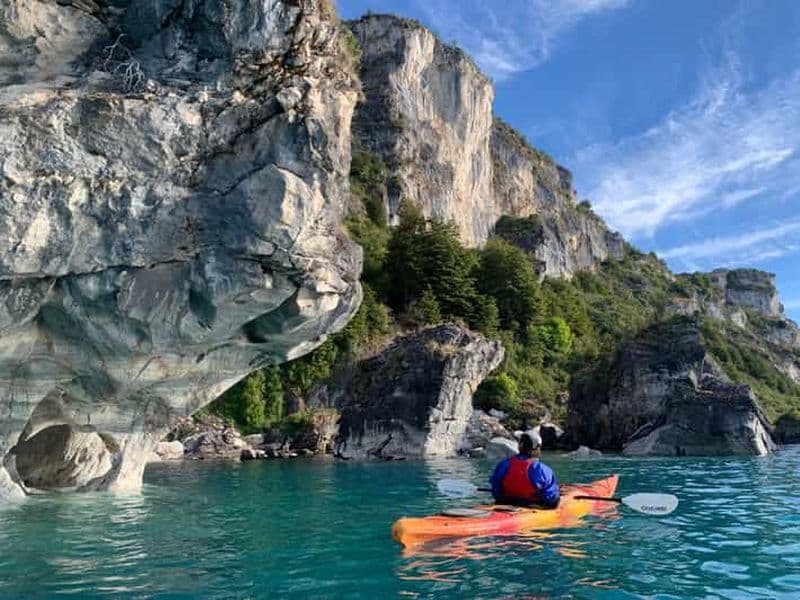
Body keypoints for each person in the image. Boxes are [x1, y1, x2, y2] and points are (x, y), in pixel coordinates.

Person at [489, 430, 559, 508]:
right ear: (536, 448)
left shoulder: (503, 465)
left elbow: (496, 492)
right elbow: (551, 498)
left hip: (504, 504)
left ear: (519, 446)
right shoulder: (542, 470)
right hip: (532, 506)